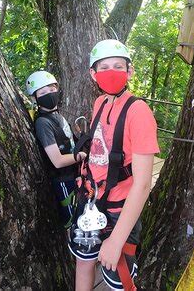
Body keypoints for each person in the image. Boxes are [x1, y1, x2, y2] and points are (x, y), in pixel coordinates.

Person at [68, 39, 159, 291]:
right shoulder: (100, 103)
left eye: (118, 66)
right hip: (90, 202)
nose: (111, 72)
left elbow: (142, 184)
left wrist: (117, 239)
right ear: (93, 74)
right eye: (104, 67)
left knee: (119, 281)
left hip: (119, 213)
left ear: (129, 71)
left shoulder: (138, 112)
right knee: (83, 261)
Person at [26, 70, 86, 228]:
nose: (50, 94)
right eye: (43, 92)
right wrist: (81, 155)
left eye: (52, 89)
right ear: (35, 98)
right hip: (63, 180)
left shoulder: (58, 115)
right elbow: (58, 161)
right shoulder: (43, 123)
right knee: (74, 221)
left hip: (74, 175)